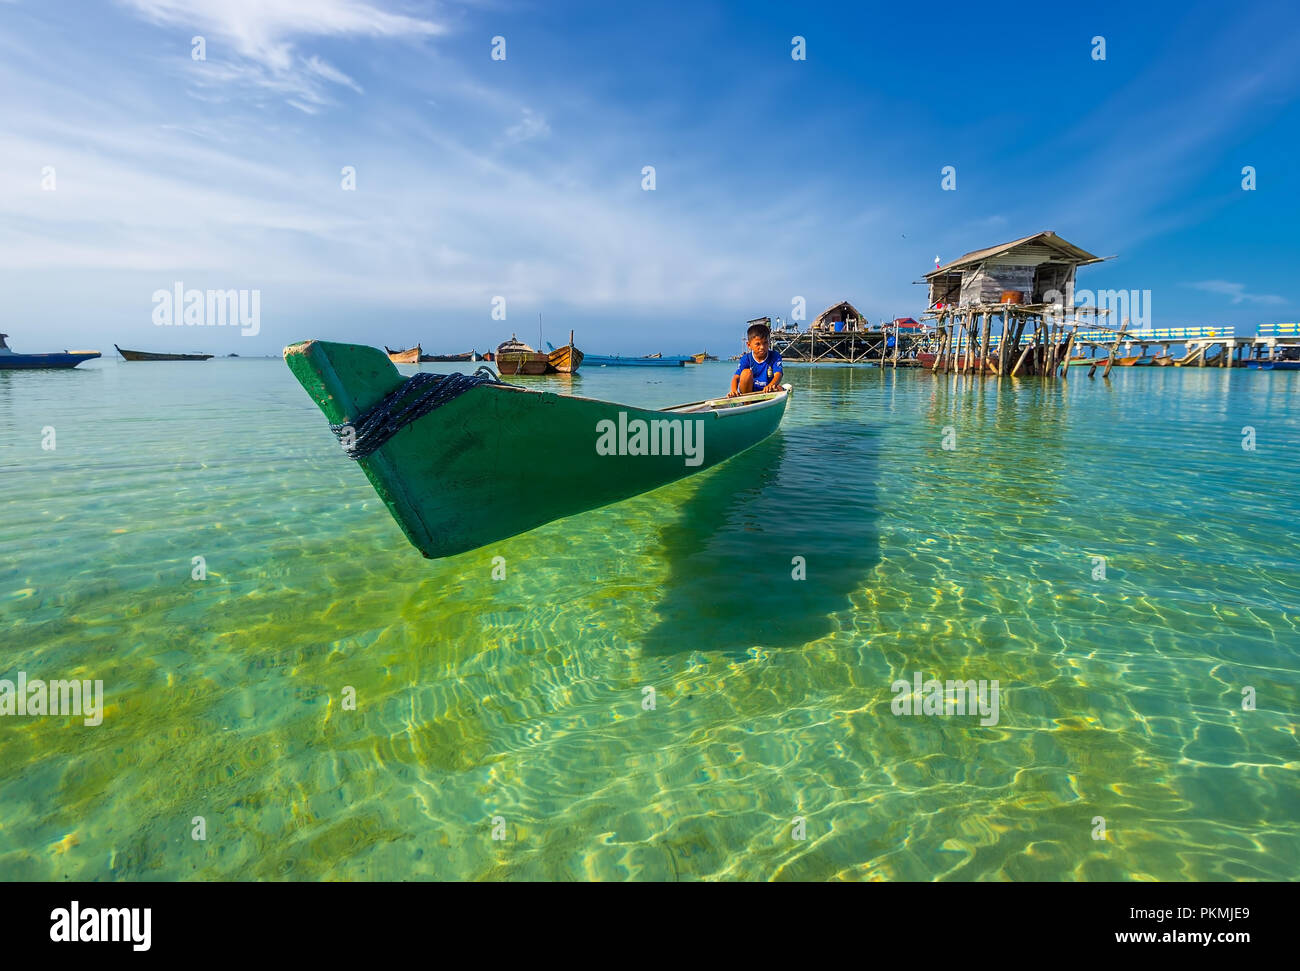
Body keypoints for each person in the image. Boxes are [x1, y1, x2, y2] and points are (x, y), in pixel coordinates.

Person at [728, 322, 784, 396]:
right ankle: (747, 404)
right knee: (746, 373)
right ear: (749, 345)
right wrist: (733, 390)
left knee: (779, 388)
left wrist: (771, 385)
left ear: (769, 342)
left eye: (765, 343)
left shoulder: (775, 356)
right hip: (749, 392)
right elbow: (736, 377)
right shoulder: (746, 358)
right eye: (758, 344)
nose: (762, 347)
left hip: (767, 391)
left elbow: (778, 374)